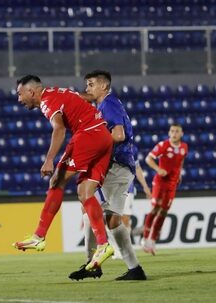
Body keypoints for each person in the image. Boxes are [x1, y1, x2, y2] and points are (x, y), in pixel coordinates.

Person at [12, 75, 115, 272]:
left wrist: (49, 158)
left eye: (20, 94)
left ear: (31, 92)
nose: (19, 99)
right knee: (85, 192)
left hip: (88, 134)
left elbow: (59, 129)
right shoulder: (58, 91)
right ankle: (103, 245)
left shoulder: (47, 102)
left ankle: (39, 236)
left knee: (56, 181)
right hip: (104, 136)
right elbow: (85, 98)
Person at [69, 70, 146, 281]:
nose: (88, 88)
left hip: (115, 167)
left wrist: (92, 143)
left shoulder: (108, 104)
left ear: (104, 86)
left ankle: (91, 263)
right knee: (113, 221)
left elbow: (118, 134)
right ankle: (135, 269)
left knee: (88, 206)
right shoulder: (108, 104)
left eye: (91, 84)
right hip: (123, 167)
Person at [142, 123, 188, 255]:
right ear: (169, 133)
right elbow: (148, 158)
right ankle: (145, 238)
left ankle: (152, 240)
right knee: (156, 208)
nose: (174, 134)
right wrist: (158, 169)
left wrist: (179, 174)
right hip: (160, 183)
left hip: (172, 185)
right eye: (172, 131)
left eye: (177, 131)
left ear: (181, 134)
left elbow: (181, 161)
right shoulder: (163, 145)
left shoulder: (184, 147)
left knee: (163, 212)